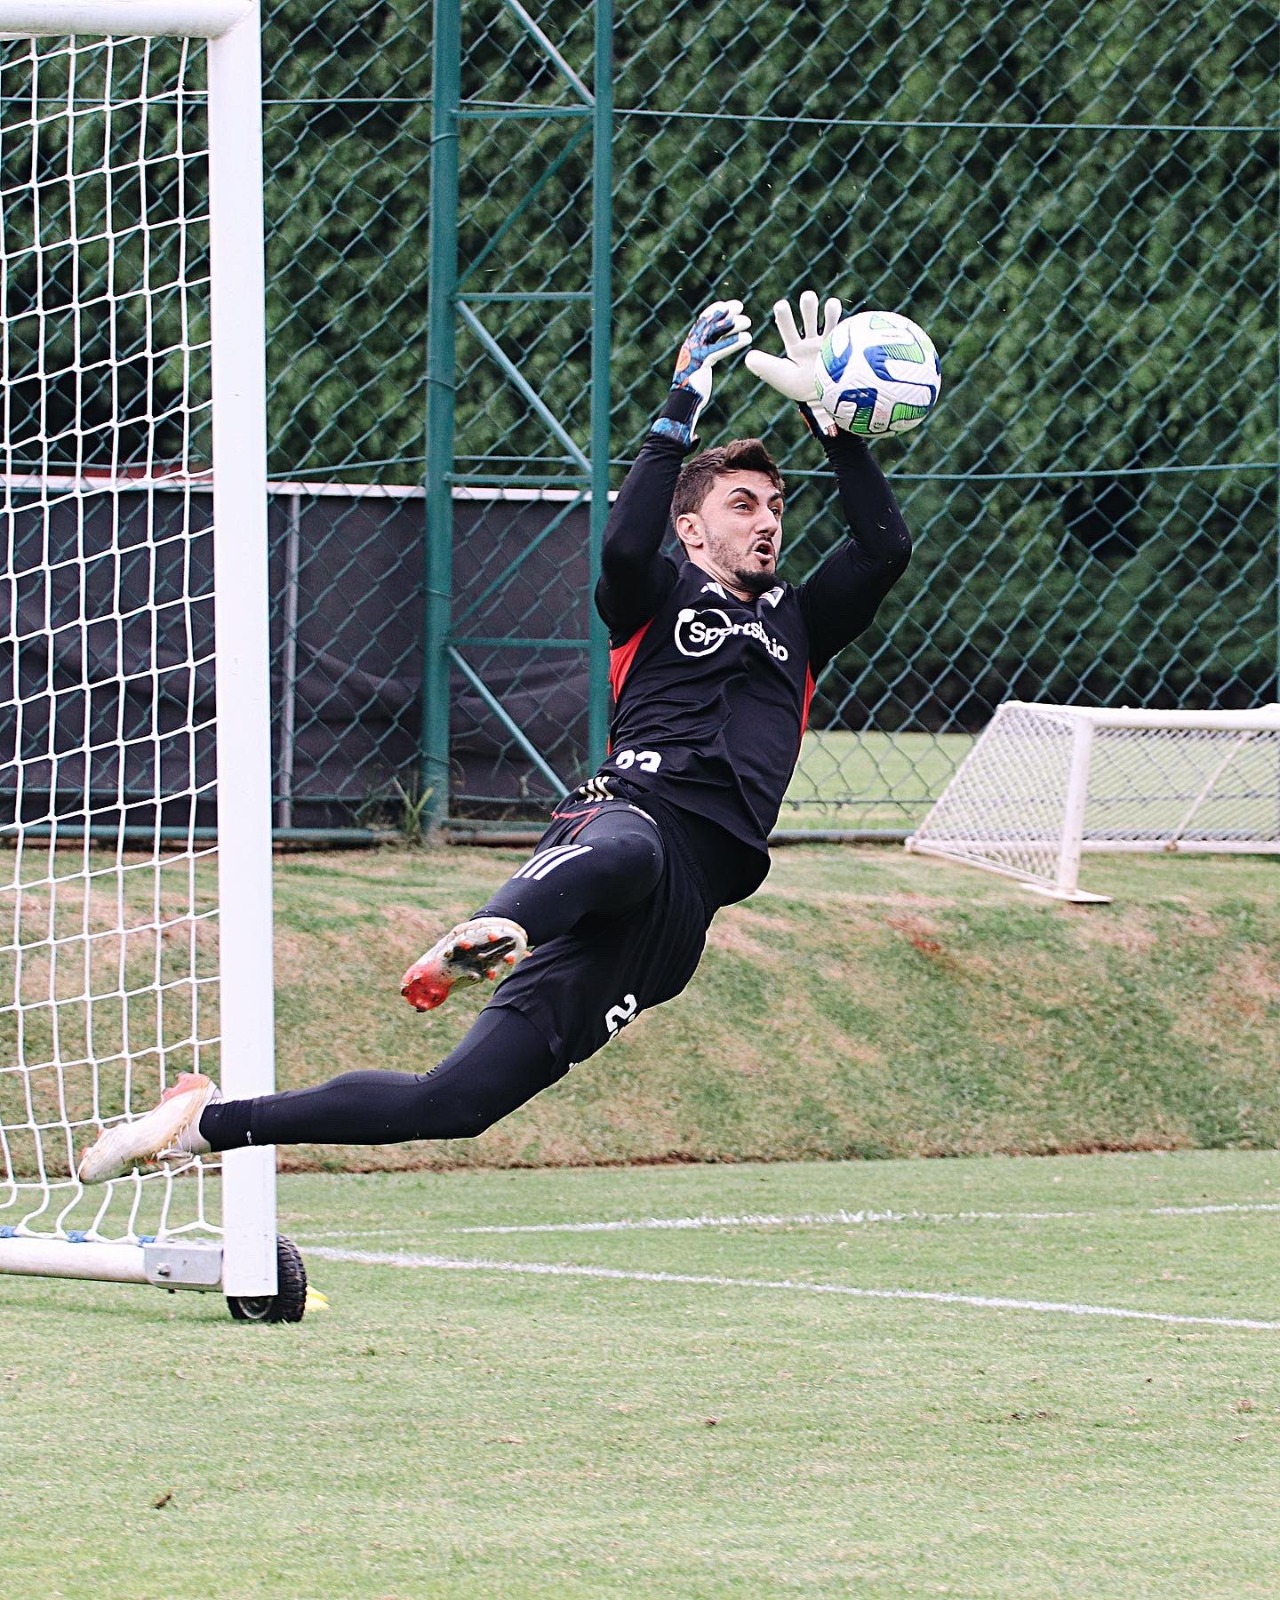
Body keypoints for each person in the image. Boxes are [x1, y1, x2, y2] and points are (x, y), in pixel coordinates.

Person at [77, 290, 913, 1184]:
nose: (767, 519)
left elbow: (882, 548)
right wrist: (680, 402)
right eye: (743, 503)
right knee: (629, 849)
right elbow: (624, 550)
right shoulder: (655, 593)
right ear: (691, 526)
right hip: (629, 818)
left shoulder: (801, 620)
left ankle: (201, 1123)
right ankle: (494, 926)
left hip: (685, 909)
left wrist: (834, 424)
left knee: (454, 1105)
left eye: (776, 505)